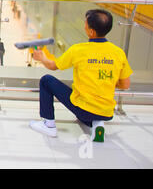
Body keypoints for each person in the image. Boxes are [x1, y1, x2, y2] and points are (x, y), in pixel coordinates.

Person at [30, 9, 133, 142]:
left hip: (84, 108)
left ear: (91, 31)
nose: (84, 25)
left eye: (86, 23)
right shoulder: (118, 53)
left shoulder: (78, 50)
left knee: (46, 80)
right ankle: (97, 123)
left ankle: (48, 125)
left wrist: (42, 58)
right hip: (106, 112)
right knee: (89, 109)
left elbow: (53, 66)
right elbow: (125, 85)